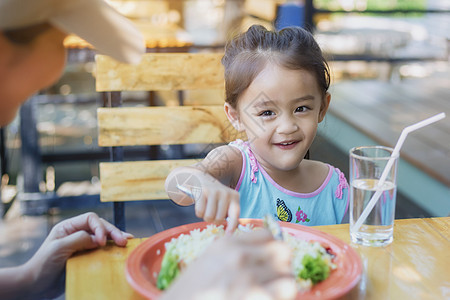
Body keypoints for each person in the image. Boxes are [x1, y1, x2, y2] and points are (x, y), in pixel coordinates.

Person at [0, 1, 297, 299]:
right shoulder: (238, 159)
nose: (63, 63)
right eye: (61, 37)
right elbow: (182, 183)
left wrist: (32, 278)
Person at [166, 25, 349, 233]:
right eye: (267, 113)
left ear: (322, 108)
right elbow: (176, 184)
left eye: (301, 108)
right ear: (236, 117)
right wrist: (203, 182)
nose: (287, 126)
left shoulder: (335, 187)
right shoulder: (236, 164)